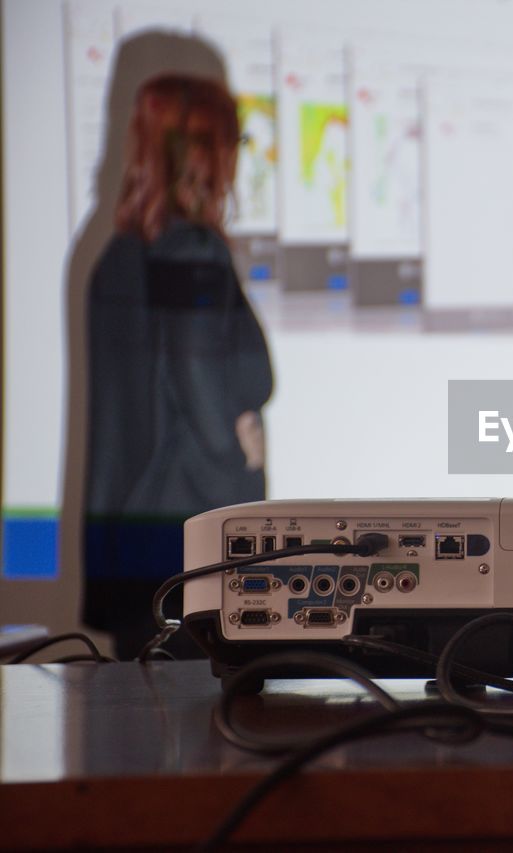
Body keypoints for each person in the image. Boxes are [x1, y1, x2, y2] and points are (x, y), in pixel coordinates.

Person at [82, 74, 273, 659]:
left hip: (132, 548)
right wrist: (239, 445)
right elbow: (196, 375)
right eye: (231, 142)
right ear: (202, 151)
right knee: (208, 734)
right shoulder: (193, 251)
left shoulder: (119, 255)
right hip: (193, 540)